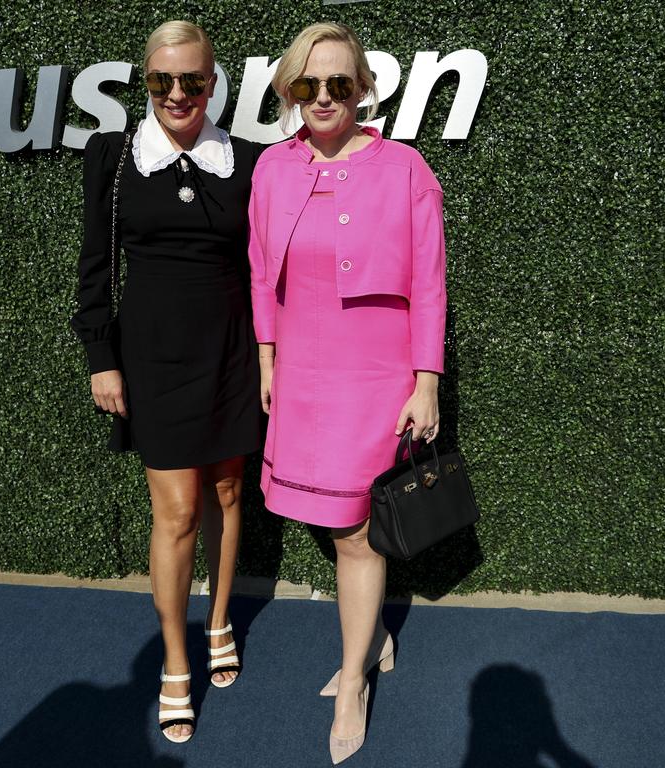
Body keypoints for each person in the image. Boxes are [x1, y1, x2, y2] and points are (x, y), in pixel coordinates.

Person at [248, 22, 446, 764]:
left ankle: (356, 678)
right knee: (335, 526)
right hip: (302, 371)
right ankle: (376, 634)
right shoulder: (272, 169)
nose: (323, 96)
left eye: (338, 83)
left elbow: (429, 283)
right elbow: (258, 268)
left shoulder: (405, 168)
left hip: (377, 376)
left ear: (361, 88)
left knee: (360, 531)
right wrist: (267, 356)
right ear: (290, 91)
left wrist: (426, 382)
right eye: (308, 84)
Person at [71, 20, 261, 744]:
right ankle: (175, 662)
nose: (178, 93)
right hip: (151, 355)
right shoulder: (113, 157)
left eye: (192, 80)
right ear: (145, 83)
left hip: (232, 350)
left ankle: (219, 622)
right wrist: (100, 355)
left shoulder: (247, 159)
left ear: (214, 83)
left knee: (227, 490)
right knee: (176, 509)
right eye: (162, 81)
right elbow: (94, 267)